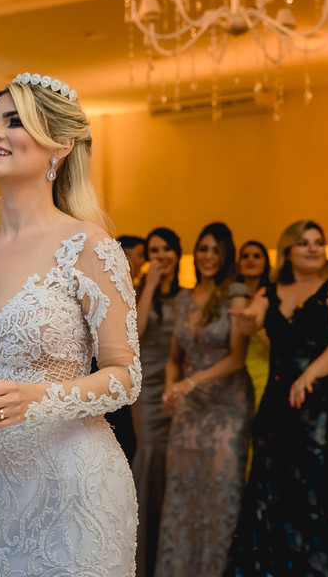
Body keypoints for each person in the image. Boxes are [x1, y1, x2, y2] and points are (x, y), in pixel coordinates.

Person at [0, 73, 141, 576]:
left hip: (75, 489)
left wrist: (37, 398)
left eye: (15, 122)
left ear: (59, 146)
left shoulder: (89, 247)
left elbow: (126, 376)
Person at [227, 220, 328, 577]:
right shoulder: (270, 292)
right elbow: (249, 322)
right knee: (271, 484)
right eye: (304, 243)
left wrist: (310, 375)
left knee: (316, 486)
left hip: (321, 404)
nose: (314, 248)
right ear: (288, 250)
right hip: (277, 403)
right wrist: (243, 317)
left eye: (319, 242)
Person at [156, 223, 253, 577]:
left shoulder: (237, 294)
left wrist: (191, 383)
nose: (208, 256)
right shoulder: (184, 298)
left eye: (215, 250)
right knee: (183, 492)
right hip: (189, 407)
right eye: (203, 249)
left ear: (225, 255)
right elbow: (173, 359)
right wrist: (171, 388)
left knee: (220, 493)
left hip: (228, 407)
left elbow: (238, 357)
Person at [133, 226, 182, 576]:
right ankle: (145, 556)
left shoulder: (190, 295)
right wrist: (149, 286)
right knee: (150, 454)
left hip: (178, 386)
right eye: (154, 250)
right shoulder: (136, 292)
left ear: (178, 254)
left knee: (177, 461)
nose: (161, 255)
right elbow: (133, 335)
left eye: (166, 249)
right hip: (147, 392)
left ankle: (173, 552)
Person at [235, 241, 273, 412]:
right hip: (232, 372)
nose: (250, 260)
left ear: (265, 262)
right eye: (245, 256)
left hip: (263, 372)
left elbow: (277, 345)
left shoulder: (273, 297)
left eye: (256, 256)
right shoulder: (230, 295)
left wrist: (252, 323)